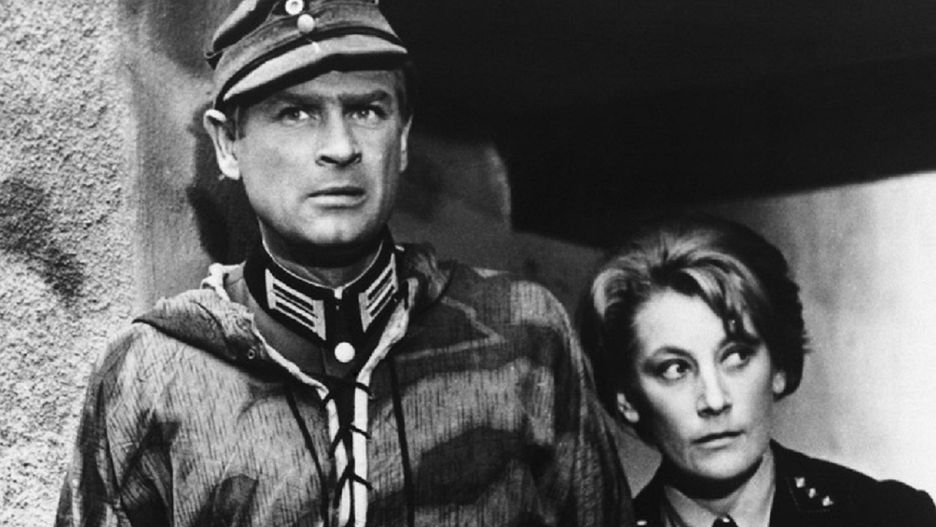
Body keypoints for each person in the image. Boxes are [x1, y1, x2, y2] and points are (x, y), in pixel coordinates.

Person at [55, 1, 632, 526]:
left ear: (401, 139)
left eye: (366, 110)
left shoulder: (523, 335)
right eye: (296, 113)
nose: (340, 146)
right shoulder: (152, 371)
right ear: (229, 143)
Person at [578, 213, 936, 527]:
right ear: (627, 400)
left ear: (778, 366)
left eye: (736, 356)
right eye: (675, 369)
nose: (714, 400)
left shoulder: (891, 517)